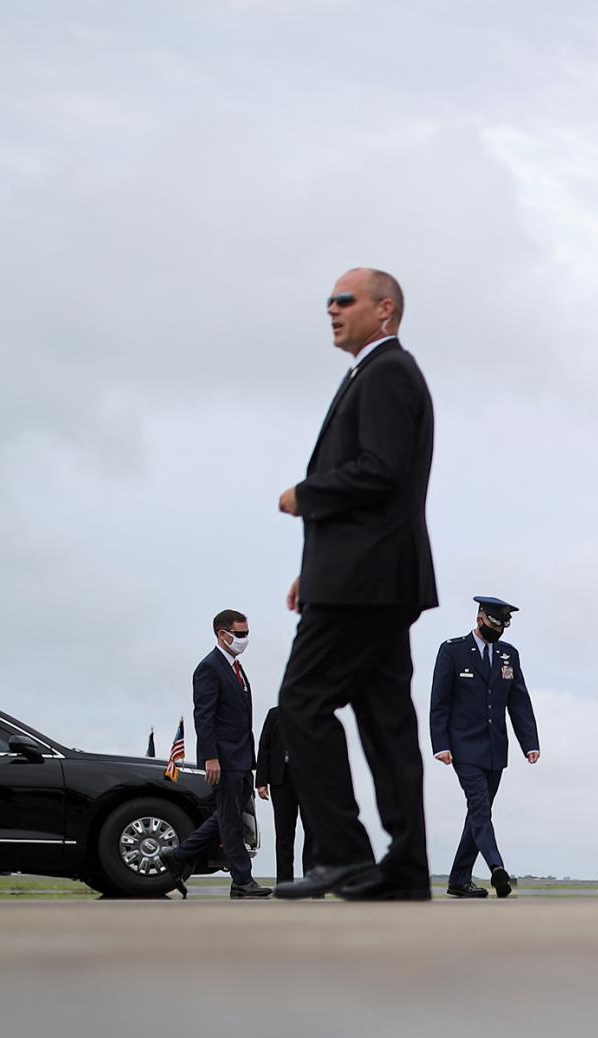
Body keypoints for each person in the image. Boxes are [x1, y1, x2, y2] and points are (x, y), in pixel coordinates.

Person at [271, 267, 437, 901]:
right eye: (329, 303)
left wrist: (304, 496)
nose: (332, 310)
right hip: (368, 576)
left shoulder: (388, 371)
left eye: (345, 300)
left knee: (302, 704)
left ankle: (343, 854)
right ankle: (406, 867)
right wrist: (312, 570)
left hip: (364, 583)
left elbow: (381, 471)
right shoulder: (372, 373)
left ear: (384, 310)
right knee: (386, 722)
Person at [428, 596, 539, 898]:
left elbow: (519, 701)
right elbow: (439, 701)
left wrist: (529, 742)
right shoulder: (452, 651)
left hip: (495, 748)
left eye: (504, 624)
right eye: (494, 622)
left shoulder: (508, 655)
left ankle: (458, 880)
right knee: (479, 807)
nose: (499, 629)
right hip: (462, 746)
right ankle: (497, 868)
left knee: (479, 813)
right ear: (480, 619)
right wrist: (440, 744)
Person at [169, 609, 266, 898]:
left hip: (242, 758)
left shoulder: (236, 667)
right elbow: (204, 716)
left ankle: (177, 856)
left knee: (227, 815)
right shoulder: (209, 667)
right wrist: (211, 757)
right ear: (223, 634)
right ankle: (241, 881)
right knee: (230, 821)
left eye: (247, 633)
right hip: (224, 759)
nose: (244, 639)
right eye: (240, 634)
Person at [253, 705, 311, 887]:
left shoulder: (316, 711)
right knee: (284, 834)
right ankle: (284, 884)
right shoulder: (275, 714)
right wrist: (261, 781)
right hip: (282, 780)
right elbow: (264, 747)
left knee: (314, 833)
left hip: (310, 781)